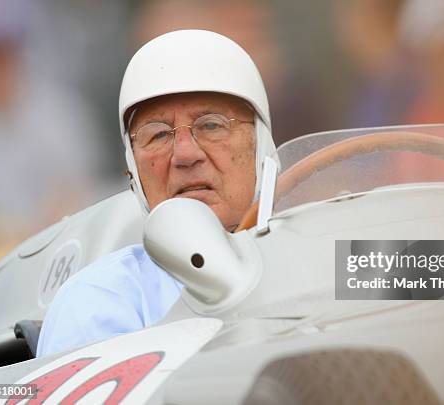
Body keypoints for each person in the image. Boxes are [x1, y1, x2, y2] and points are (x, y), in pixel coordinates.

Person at [36, 30, 278, 357]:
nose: (185, 154)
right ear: (133, 171)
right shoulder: (99, 301)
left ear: (260, 147)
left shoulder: (330, 249)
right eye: (158, 135)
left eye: (211, 125)